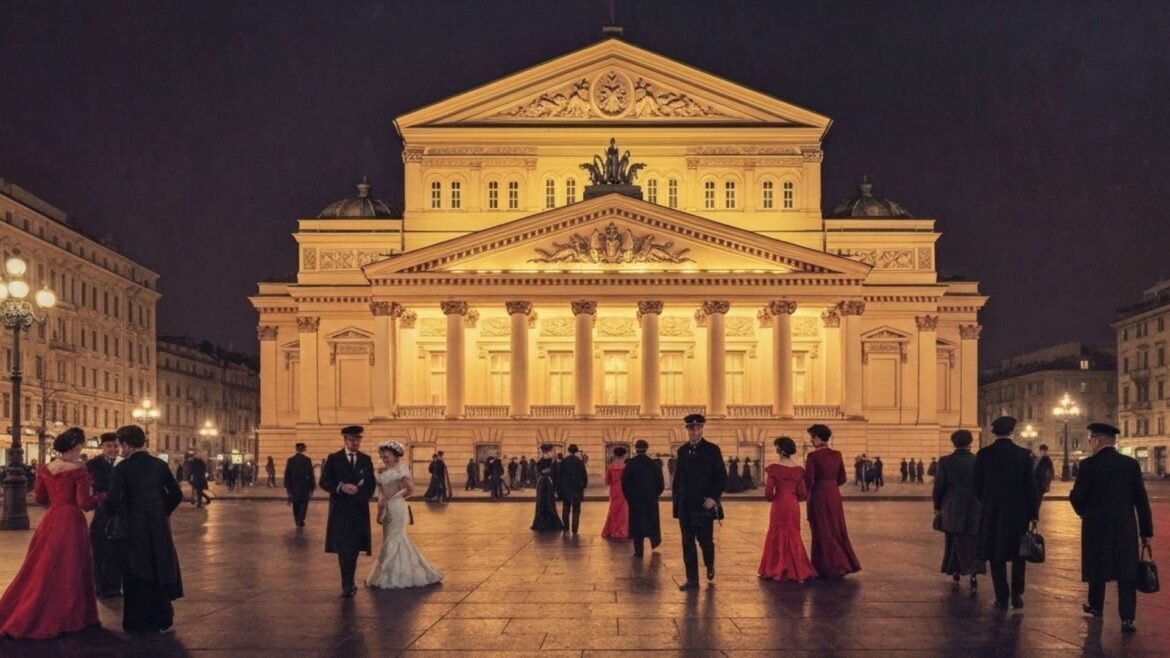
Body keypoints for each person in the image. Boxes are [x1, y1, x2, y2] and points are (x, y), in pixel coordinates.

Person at [0, 428, 101, 639]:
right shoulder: (79, 470)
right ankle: (70, 616)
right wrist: (102, 497)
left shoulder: (47, 468)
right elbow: (84, 503)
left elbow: (39, 497)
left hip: (52, 518)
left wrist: (56, 503)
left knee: (42, 566)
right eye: (81, 444)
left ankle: (32, 607)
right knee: (70, 567)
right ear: (75, 446)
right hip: (71, 521)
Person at [1071, 423, 1155, 633]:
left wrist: (1083, 512)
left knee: (1096, 568)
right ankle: (1127, 618)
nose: (1090, 444)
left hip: (1096, 526)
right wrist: (1146, 531)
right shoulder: (1131, 464)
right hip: (1124, 526)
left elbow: (1078, 496)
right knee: (1126, 572)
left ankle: (1096, 606)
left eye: (1091, 440)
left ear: (1097, 440)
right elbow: (1141, 500)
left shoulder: (1088, 465)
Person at [105, 425, 185, 633]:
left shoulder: (121, 468)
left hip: (132, 527)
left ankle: (138, 621)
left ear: (126, 445)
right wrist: (161, 510)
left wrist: (110, 512)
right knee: (157, 567)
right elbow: (176, 494)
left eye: (120, 444)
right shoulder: (159, 464)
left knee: (135, 572)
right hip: (157, 526)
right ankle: (162, 617)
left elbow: (113, 501)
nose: (119, 449)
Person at [974, 416, 1040, 610]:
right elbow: (1031, 487)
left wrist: (987, 502)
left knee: (997, 555)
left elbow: (977, 485)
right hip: (1018, 513)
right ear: (1013, 432)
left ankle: (1001, 597)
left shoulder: (984, 454)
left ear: (995, 432)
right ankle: (1017, 594)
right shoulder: (1024, 454)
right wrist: (1033, 513)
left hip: (993, 511)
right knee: (1019, 553)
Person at [365, 441, 442, 589]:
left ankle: (393, 576)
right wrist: (380, 511)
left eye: (386, 456)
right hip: (387, 508)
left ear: (395, 456)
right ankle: (388, 574)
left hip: (397, 508)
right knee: (388, 539)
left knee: (395, 539)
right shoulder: (381, 471)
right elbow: (381, 494)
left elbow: (410, 489)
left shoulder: (402, 470)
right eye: (382, 456)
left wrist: (393, 499)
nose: (384, 459)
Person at [320, 425, 377, 598]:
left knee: (353, 549)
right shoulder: (334, 458)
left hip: (358, 510)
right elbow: (324, 482)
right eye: (352, 440)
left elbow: (371, 484)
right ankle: (346, 584)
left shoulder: (365, 459)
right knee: (343, 549)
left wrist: (361, 493)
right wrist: (341, 487)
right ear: (345, 440)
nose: (355, 443)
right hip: (340, 511)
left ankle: (349, 582)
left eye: (358, 440)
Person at [673, 414, 727, 590]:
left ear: (702, 428)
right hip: (686, 506)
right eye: (691, 428)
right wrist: (677, 505)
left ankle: (709, 564)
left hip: (704, 505)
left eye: (697, 428)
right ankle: (692, 580)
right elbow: (678, 479)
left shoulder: (712, 450)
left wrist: (714, 498)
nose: (694, 431)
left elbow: (721, 477)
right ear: (687, 430)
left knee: (705, 542)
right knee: (687, 543)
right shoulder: (682, 451)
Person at [804, 424, 861, 578]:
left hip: (819, 496)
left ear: (817, 437)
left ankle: (827, 565)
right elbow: (842, 478)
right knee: (836, 528)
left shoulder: (813, 456)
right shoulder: (837, 454)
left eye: (812, 437)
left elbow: (808, 480)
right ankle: (844, 562)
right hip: (834, 494)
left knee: (821, 529)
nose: (811, 441)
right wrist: (831, 485)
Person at [758, 436, 817, 582]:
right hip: (792, 504)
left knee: (776, 532)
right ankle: (797, 568)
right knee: (793, 533)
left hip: (779, 504)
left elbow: (768, 492)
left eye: (776, 446)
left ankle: (775, 567)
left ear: (780, 450)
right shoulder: (798, 470)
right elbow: (802, 493)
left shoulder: (774, 469)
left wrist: (773, 498)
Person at [933, 430, 985, 590]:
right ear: (970, 442)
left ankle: (954, 570)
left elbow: (939, 486)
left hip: (952, 506)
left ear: (953, 443)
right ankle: (974, 572)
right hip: (974, 506)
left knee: (953, 540)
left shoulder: (945, 461)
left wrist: (937, 506)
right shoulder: (978, 461)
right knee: (973, 541)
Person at [88, 431, 122, 599]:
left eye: (116, 446)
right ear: (102, 447)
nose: (113, 449)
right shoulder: (93, 464)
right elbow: (96, 486)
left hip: (120, 512)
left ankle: (115, 585)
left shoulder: (123, 463)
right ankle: (101, 585)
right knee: (102, 550)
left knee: (117, 551)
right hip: (103, 511)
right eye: (109, 446)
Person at [622, 439, 664, 557]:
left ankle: (639, 551)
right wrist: (655, 494)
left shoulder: (630, 463)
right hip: (650, 498)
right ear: (647, 448)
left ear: (635, 448)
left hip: (635, 500)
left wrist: (629, 497)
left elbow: (625, 483)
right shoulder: (653, 464)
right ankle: (654, 541)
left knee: (637, 524)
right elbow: (660, 483)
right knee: (652, 521)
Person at [530, 444, 564, 532]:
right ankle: (545, 524)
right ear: (547, 452)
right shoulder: (550, 462)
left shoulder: (545, 462)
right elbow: (554, 475)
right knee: (544, 503)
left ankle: (546, 524)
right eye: (553, 451)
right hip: (546, 484)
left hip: (545, 483)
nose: (555, 452)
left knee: (547, 503)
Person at [601, 446, 630, 540]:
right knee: (623, 512)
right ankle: (621, 531)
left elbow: (607, 481)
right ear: (624, 455)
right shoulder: (626, 467)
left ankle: (611, 530)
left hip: (614, 489)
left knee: (613, 510)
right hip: (624, 489)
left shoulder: (611, 467)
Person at [558, 444, 588, 534]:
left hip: (566, 489)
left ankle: (566, 526)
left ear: (568, 450)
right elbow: (584, 476)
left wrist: (560, 489)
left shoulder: (564, 461)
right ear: (576, 451)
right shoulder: (580, 462)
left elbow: (560, 476)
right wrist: (583, 486)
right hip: (577, 489)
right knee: (576, 510)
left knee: (566, 508)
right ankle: (575, 528)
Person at [284, 442, 315, 528]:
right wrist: (312, 487)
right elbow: (311, 474)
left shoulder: (290, 460)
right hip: (305, 486)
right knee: (304, 504)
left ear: (296, 449)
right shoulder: (308, 460)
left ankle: (297, 519)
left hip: (294, 487)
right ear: (304, 449)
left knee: (295, 504)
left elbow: (287, 475)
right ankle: (301, 519)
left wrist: (288, 487)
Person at [1034, 444, 1055, 509]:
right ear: (1040, 451)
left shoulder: (1047, 460)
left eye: (1044, 451)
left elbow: (1051, 472)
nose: (1043, 452)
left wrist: (1047, 483)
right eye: (1042, 451)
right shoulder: (1037, 459)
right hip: (1035, 481)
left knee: (1038, 499)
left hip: (1042, 482)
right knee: (1036, 499)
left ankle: (1035, 513)